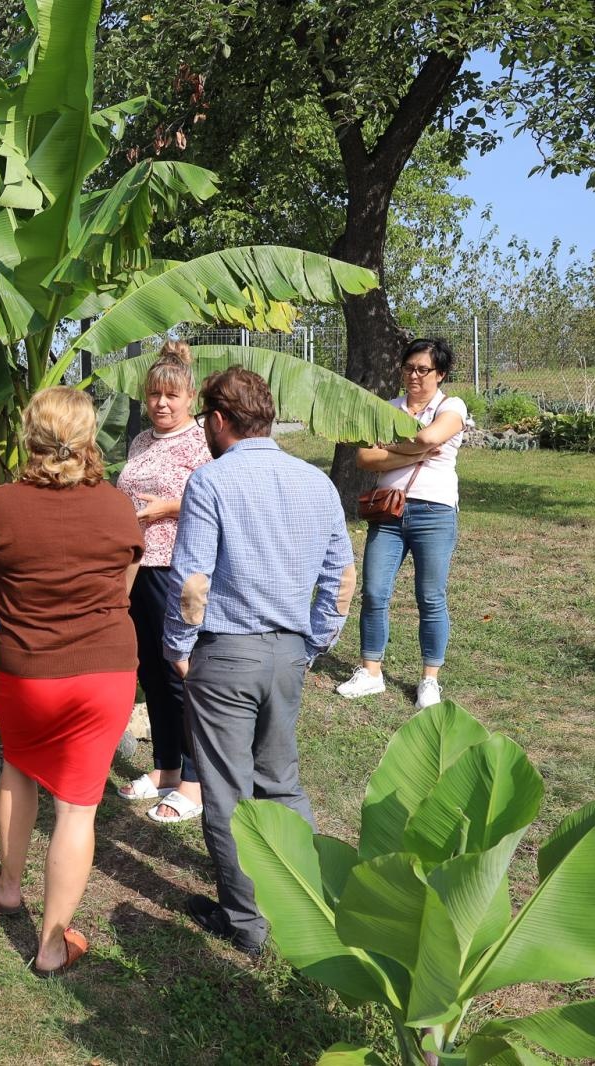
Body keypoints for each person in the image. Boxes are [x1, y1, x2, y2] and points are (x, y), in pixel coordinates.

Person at [163, 368, 354, 956]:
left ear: (219, 420)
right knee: (282, 784)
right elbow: (342, 578)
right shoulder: (316, 482)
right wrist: (314, 644)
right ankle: (312, 907)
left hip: (226, 654)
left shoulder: (210, 482)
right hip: (288, 652)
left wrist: (177, 648)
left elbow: (192, 583)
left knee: (227, 793)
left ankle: (246, 924)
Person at [0, 386, 145, 977]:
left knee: (18, 767)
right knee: (77, 808)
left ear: (30, 436)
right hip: (105, 672)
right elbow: (123, 589)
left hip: (28, 671)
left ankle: (8, 887)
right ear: (90, 438)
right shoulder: (118, 506)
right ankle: (50, 946)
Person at [337, 338, 470, 710]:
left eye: (423, 369)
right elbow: (365, 458)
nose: (414, 375)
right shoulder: (389, 408)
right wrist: (419, 453)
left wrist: (392, 447)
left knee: (430, 597)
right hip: (389, 512)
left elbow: (429, 435)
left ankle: (430, 680)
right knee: (374, 591)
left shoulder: (451, 406)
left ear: (440, 374)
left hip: (434, 513)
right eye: (408, 368)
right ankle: (371, 672)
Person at [114, 342, 213, 824]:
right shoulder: (141, 441)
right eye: (154, 394)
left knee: (179, 670)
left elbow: (216, 499)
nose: (162, 403)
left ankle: (195, 777)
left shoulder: (202, 442)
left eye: (172, 395)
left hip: (177, 566)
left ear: (190, 397)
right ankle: (166, 765)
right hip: (138, 566)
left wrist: (168, 507)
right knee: (151, 670)